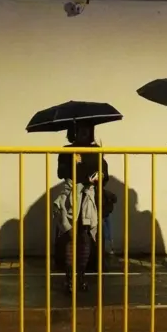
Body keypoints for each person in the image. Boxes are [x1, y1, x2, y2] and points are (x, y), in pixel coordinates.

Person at [54, 123, 108, 292]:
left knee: (85, 237)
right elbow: (61, 172)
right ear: (74, 132)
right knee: (71, 237)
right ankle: (70, 278)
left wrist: (99, 176)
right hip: (72, 197)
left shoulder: (97, 150)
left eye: (87, 129)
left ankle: (81, 276)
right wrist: (73, 162)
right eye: (81, 130)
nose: (85, 132)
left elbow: (104, 173)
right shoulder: (67, 150)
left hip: (88, 196)